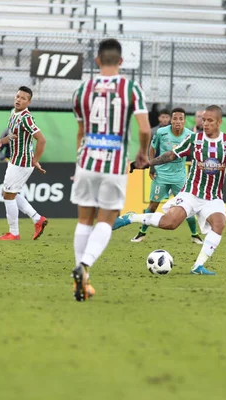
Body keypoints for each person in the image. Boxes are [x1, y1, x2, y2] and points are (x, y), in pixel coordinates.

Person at [113, 105, 226, 275]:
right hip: (191, 192)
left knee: (219, 223)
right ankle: (131, 217)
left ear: (219, 122)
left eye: (210, 121)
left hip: (213, 197)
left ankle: (197, 266)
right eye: (204, 120)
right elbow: (171, 155)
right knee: (170, 224)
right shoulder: (195, 140)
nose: (205, 123)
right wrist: (149, 163)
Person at [70, 38, 151, 301]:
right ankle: (84, 266)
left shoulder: (83, 89)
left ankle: (80, 283)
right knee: (106, 219)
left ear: (96, 61)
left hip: (87, 161)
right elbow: (144, 129)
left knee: (84, 220)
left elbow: (81, 132)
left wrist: (78, 162)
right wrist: (142, 152)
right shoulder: (130, 87)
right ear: (121, 61)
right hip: (114, 164)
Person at [131, 107, 203, 244]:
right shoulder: (161, 132)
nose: (177, 121)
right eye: (175, 118)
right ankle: (141, 233)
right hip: (162, 175)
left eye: (180, 119)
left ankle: (195, 235)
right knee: (153, 205)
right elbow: (152, 148)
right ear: (171, 119)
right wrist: (152, 166)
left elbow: (196, 154)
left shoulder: (190, 135)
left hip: (180, 177)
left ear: (184, 121)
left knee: (187, 207)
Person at [0, 86, 48, 241]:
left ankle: (14, 233)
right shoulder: (14, 113)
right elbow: (14, 135)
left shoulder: (26, 117)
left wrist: (35, 160)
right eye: (17, 96)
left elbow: (41, 140)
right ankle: (38, 219)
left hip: (22, 162)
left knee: (8, 195)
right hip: (15, 160)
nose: (19, 99)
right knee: (8, 193)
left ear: (28, 102)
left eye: (23, 98)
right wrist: (2, 141)